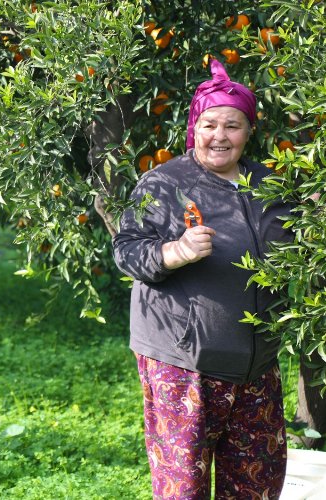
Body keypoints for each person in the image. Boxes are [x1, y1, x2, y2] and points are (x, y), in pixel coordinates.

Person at [113, 59, 292, 498]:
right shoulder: (163, 184)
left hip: (257, 367)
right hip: (184, 366)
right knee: (183, 487)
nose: (220, 136)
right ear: (195, 125)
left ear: (249, 131)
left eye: (233, 126)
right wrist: (175, 252)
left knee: (256, 485)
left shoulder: (271, 187)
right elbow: (126, 250)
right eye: (210, 123)